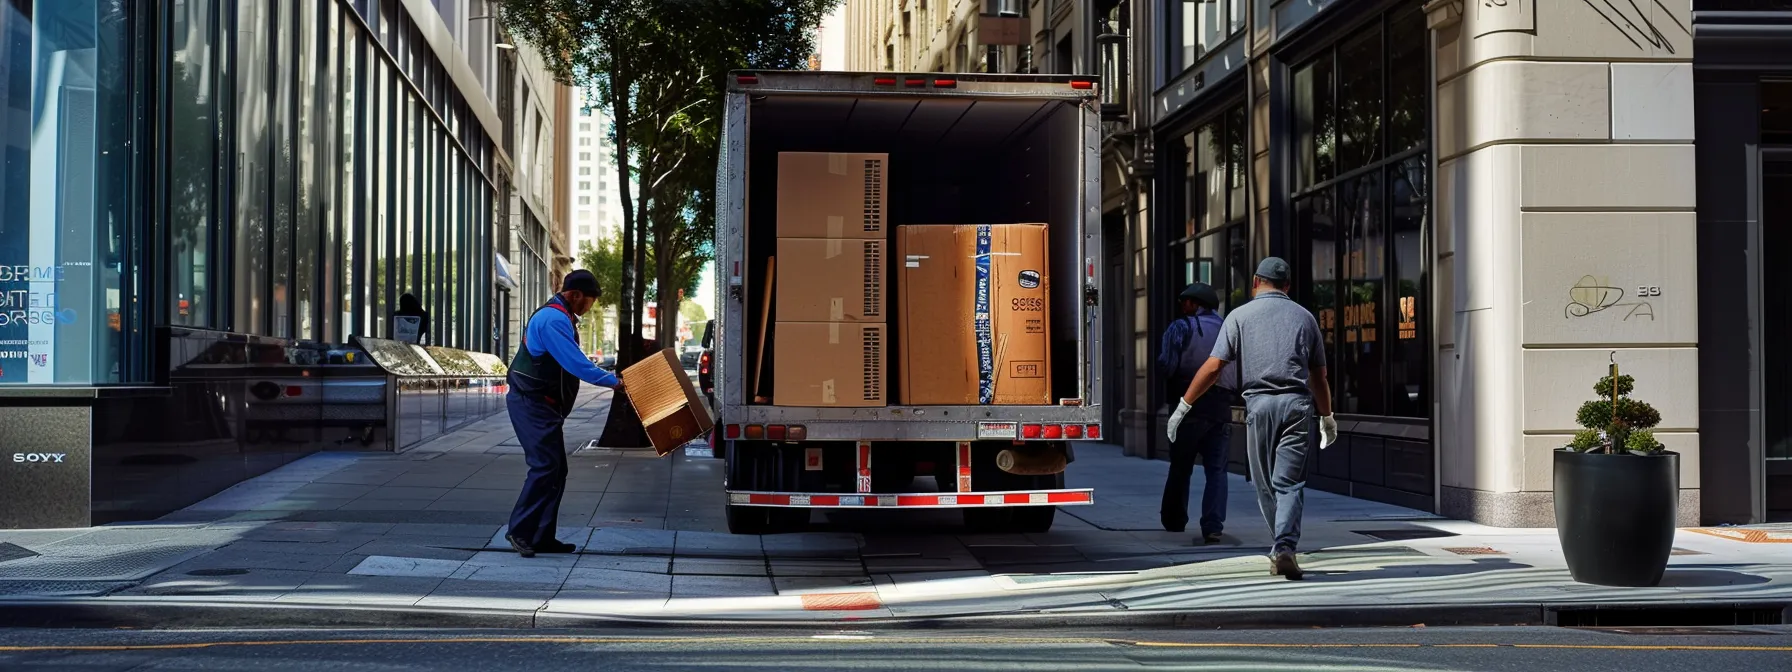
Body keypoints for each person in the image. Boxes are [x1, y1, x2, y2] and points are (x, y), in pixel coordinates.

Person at [1170, 257, 1335, 580]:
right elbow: (1319, 376)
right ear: (1288, 286)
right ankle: (1284, 546)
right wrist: (1326, 416)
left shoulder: (1239, 316)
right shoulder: (1305, 318)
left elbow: (1214, 367)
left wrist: (1183, 406)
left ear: (1256, 282)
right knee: (1290, 483)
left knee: (1265, 484)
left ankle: (1282, 545)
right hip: (1297, 406)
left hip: (1259, 406)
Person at [505, 270, 620, 558]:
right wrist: (614, 382)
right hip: (531, 402)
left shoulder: (561, 316)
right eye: (590, 300)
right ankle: (520, 531)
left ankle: (542, 536)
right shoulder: (553, 319)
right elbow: (576, 363)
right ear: (576, 295)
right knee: (545, 466)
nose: (590, 306)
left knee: (556, 469)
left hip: (540, 404)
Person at [1156, 282, 1237, 543]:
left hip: (1188, 404)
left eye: (1186, 301)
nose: (1182, 306)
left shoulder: (1182, 327)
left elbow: (1167, 365)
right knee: (1217, 470)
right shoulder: (1230, 328)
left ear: (1196, 304)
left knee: (1181, 466)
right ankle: (1213, 525)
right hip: (1221, 406)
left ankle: (1174, 519)